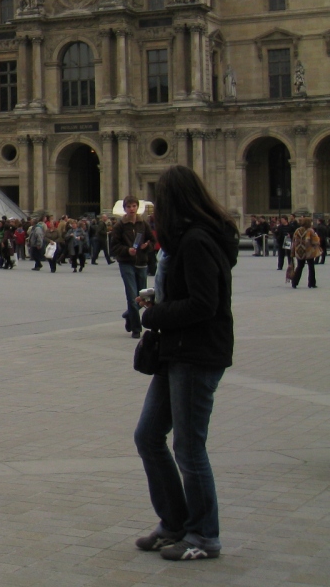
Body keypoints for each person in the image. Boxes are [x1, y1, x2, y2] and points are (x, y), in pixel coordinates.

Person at [132, 165, 236, 561]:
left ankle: (204, 536)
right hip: (179, 351)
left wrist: (156, 314)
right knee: (147, 436)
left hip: (196, 354)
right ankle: (174, 522)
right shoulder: (189, 240)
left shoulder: (195, 241)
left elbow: (203, 304)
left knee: (189, 449)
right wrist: (158, 300)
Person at [112, 197, 153, 338]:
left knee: (142, 297)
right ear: (125, 208)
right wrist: (126, 250)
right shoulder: (120, 226)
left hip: (141, 262)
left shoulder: (143, 223)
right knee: (131, 296)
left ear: (137, 207)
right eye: (129, 206)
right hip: (126, 263)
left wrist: (147, 246)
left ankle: (128, 314)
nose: (132, 209)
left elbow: (152, 240)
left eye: (134, 206)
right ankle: (136, 328)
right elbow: (114, 247)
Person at [290, 216, 320, 288]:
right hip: (308, 251)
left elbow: (294, 240)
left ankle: (294, 282)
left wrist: (293, 250)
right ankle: (311, 283)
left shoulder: (297, 230)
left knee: (300, 266)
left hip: (299, 251)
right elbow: (315, 241)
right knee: (311, 266)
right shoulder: (310, 231)